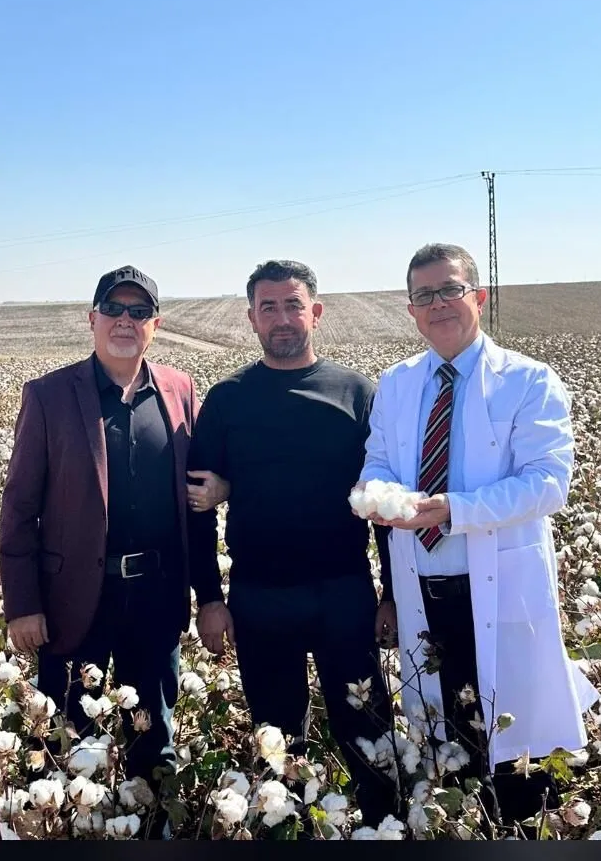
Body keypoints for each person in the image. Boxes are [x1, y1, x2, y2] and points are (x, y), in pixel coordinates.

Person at [355, 242, 598, 829]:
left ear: (479, 298)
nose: (438, 304)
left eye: (450, 290)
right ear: (411, 310)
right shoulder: (397, 384)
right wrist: (376, 496)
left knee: (517, 755)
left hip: (500, 588)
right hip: (426, 589)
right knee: (449, 751)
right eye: (424, 295)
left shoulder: (528, 381)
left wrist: (450, 510)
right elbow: (379, 461)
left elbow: (547, 483)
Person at [0, 265, 220, 823]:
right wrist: (23, 604)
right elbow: (19, 509)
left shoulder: (180, 389)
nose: (126, 321)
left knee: (155, 743)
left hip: (156, 597)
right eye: (114, 310)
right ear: (91, 319)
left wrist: (209, 594)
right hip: (74, 602)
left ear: (156, 325)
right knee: (69, 745)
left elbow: (196, 502)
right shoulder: (48, 395)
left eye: (139, 312)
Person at [186, 259, 399, 827]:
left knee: (368, 731)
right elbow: (198, 504)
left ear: (316, 312)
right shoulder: (227, 399)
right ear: (251, 319)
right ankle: (293, 832)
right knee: (278, 741)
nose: (282, 318)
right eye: (269, 307)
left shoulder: (356, 392)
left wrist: (392, 594)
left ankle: (386, 829)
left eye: (293, 304)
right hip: (260, 598)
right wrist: (210, 597)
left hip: (345, 593)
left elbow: (380, 502)